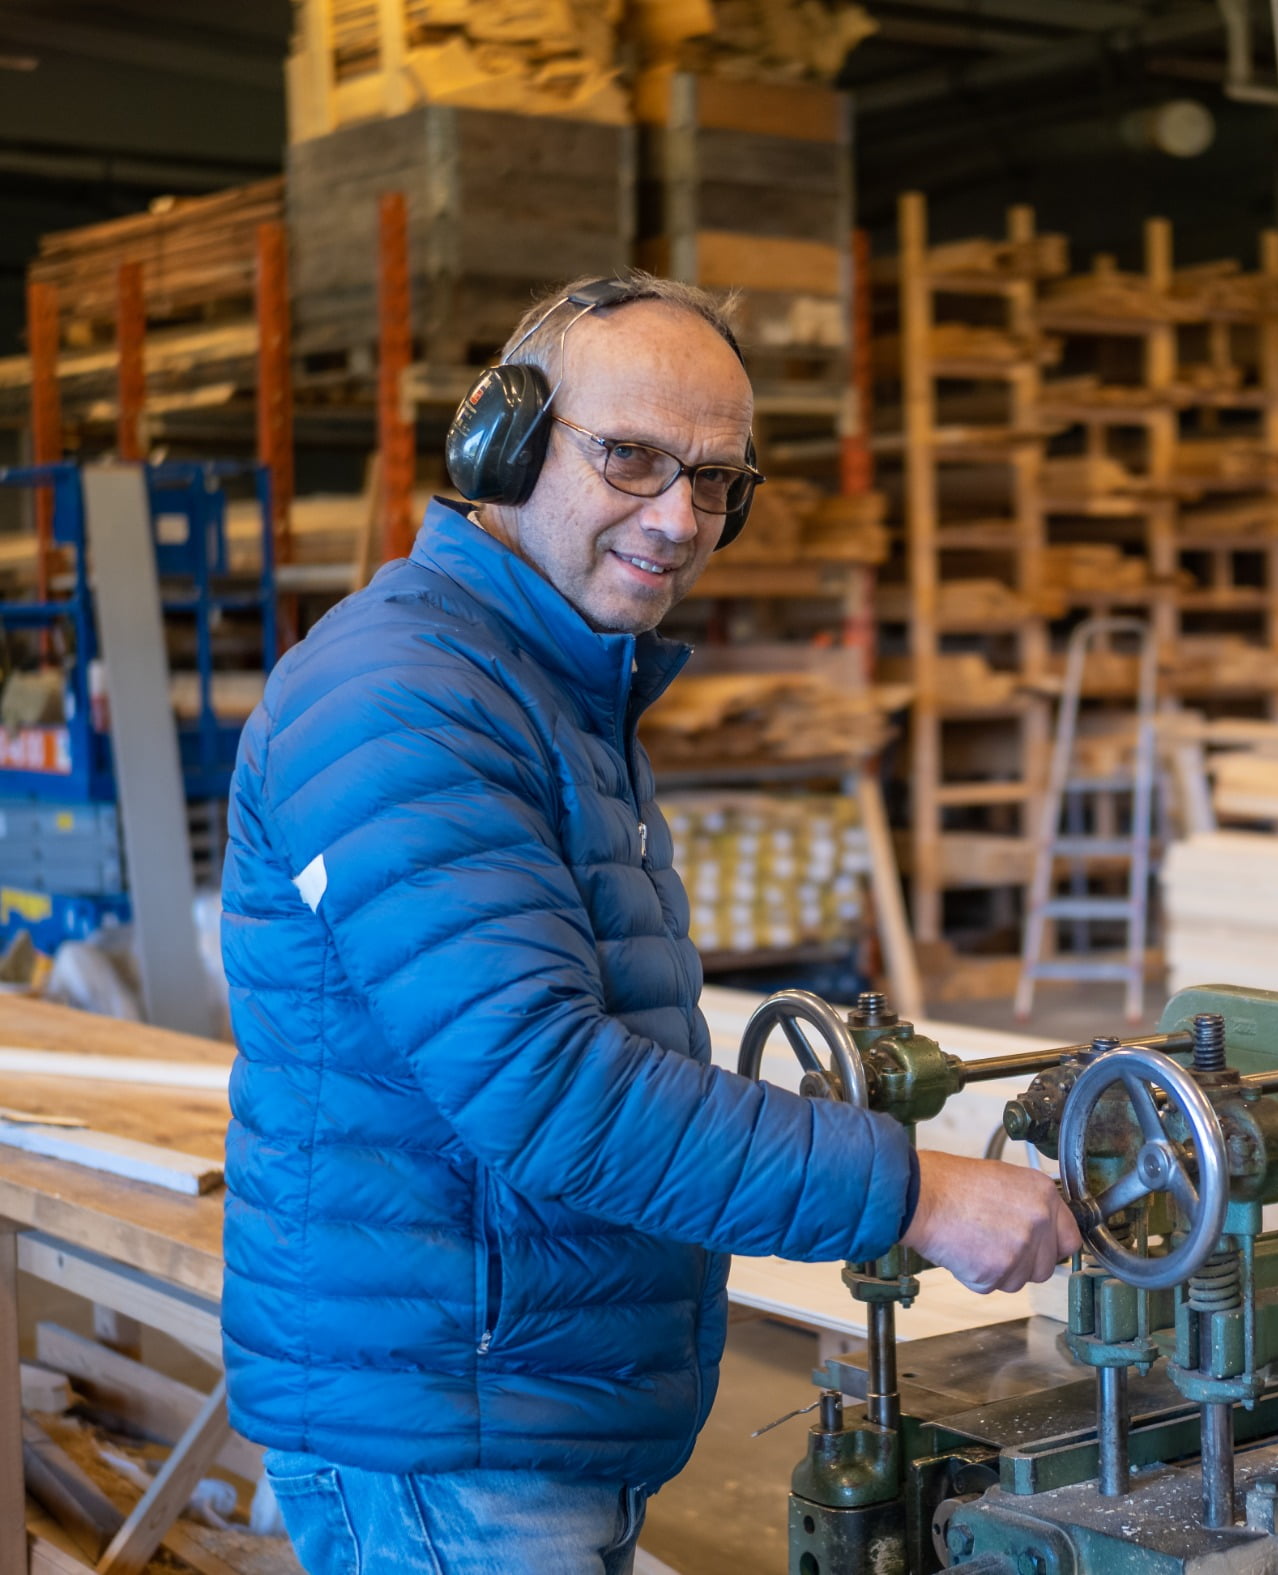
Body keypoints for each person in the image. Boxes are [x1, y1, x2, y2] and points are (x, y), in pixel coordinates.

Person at [219, 273, 1081, 1573]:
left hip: (525, 1404)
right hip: (450, 1434)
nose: (676, 517)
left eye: (715, 479)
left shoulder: (544, 686)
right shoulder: (400, 694)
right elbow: (543, 1086)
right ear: (499, 442)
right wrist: (917, 1193)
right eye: (629, 458)